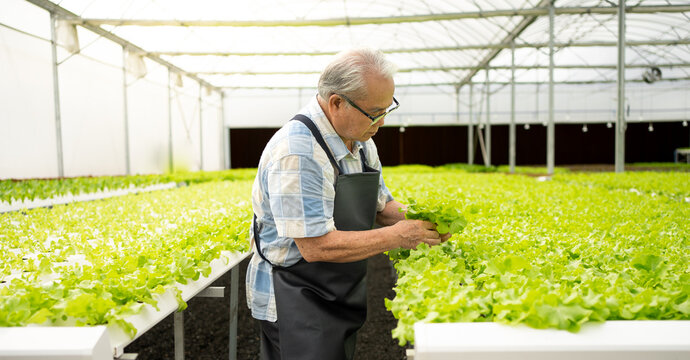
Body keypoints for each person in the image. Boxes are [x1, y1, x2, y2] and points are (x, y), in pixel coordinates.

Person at [245, 48, 450, 360]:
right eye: (374, 112)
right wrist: (399, 236)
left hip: (338, 287)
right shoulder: (299, 152)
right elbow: (315, 246)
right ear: (337, 102)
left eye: (387, 109)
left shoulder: (360, 139)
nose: (381, 121)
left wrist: (425, 220)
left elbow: (382, 207)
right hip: (297, 294)